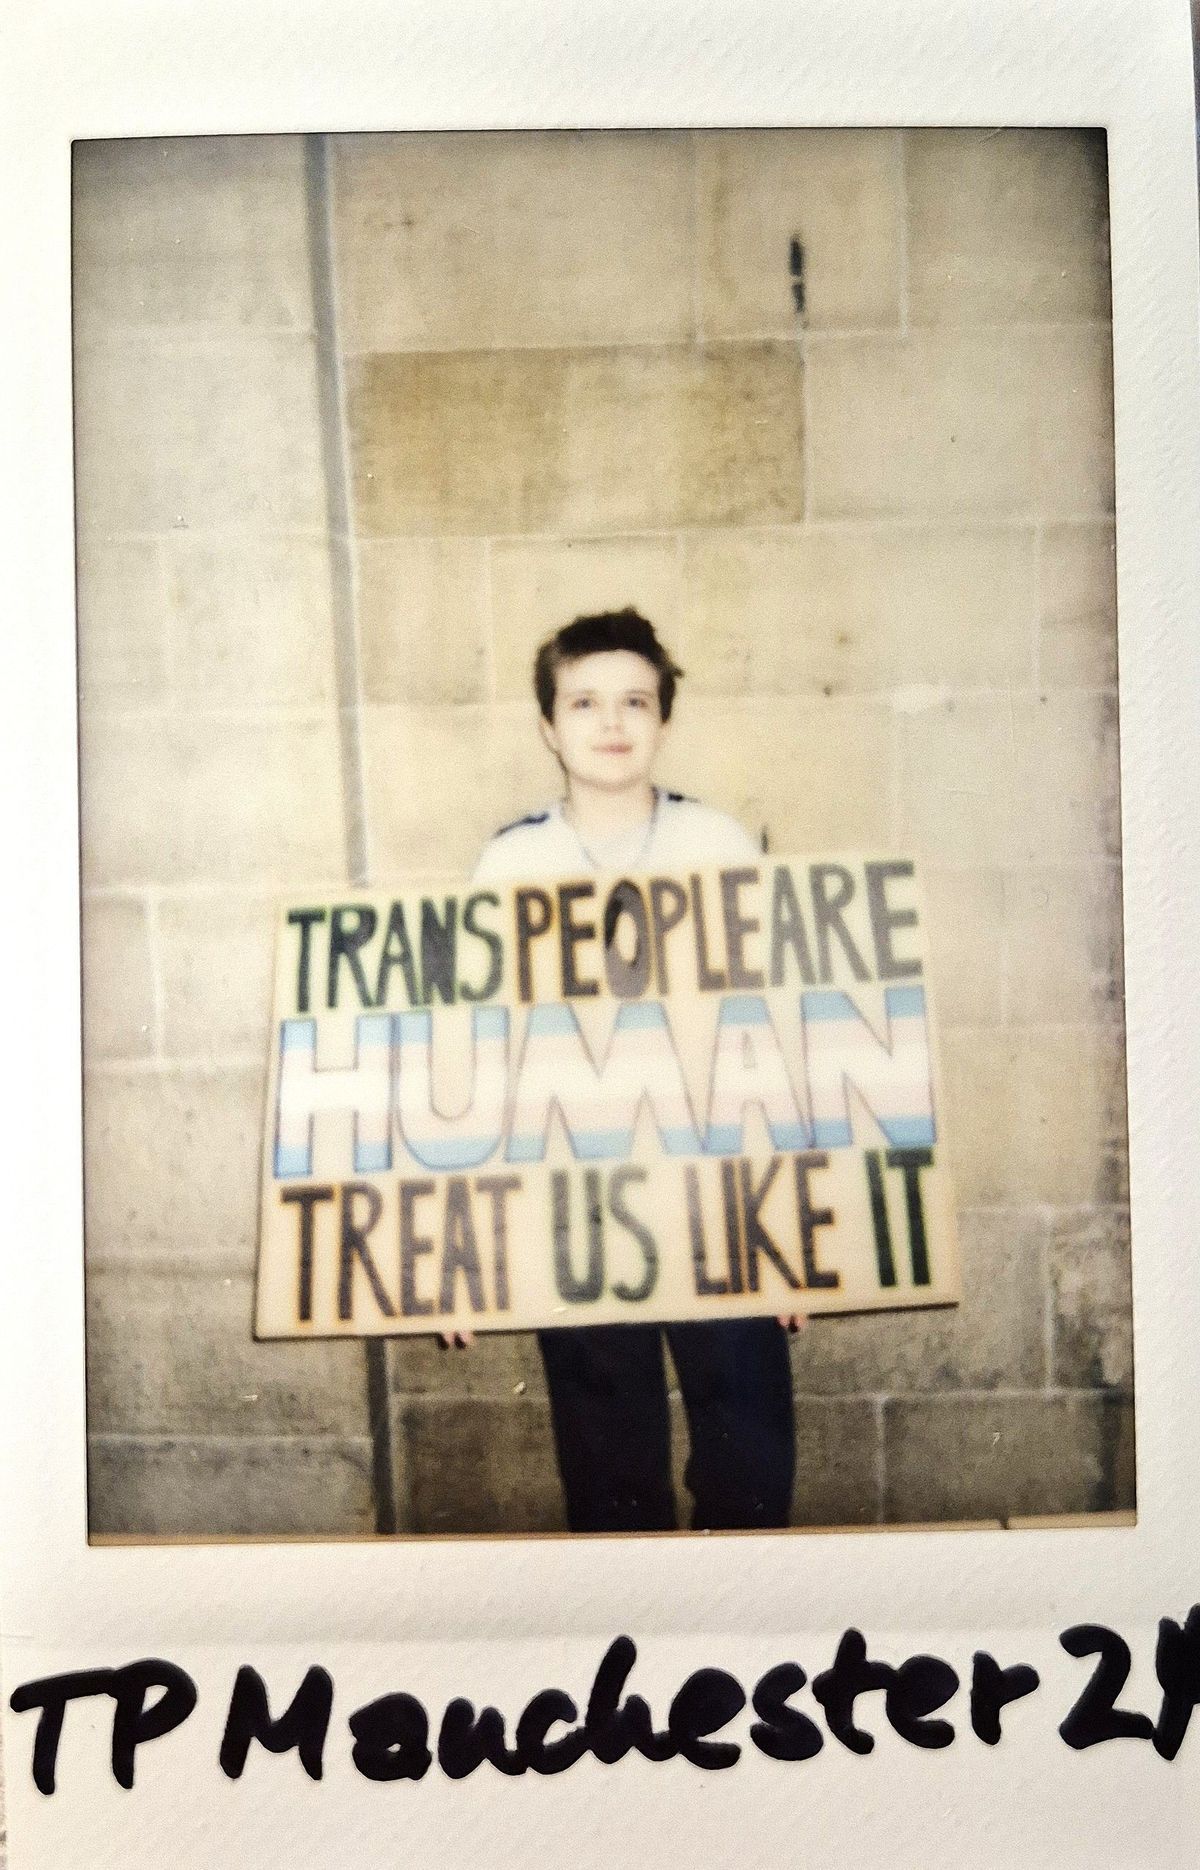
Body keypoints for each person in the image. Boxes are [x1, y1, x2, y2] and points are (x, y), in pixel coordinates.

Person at [450, 608, 799, 1534]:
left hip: (721, 1199)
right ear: (548, 725)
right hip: (578, 1206)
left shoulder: (717, 842)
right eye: (585, 703)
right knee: (611, 1480)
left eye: (635, 701)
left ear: (664, 719)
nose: (611, 723)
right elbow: (479, 1052)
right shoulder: (512, 861)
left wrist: (798, 1234)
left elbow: (775, 1033)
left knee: (749, 1466)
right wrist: (455, 1252)